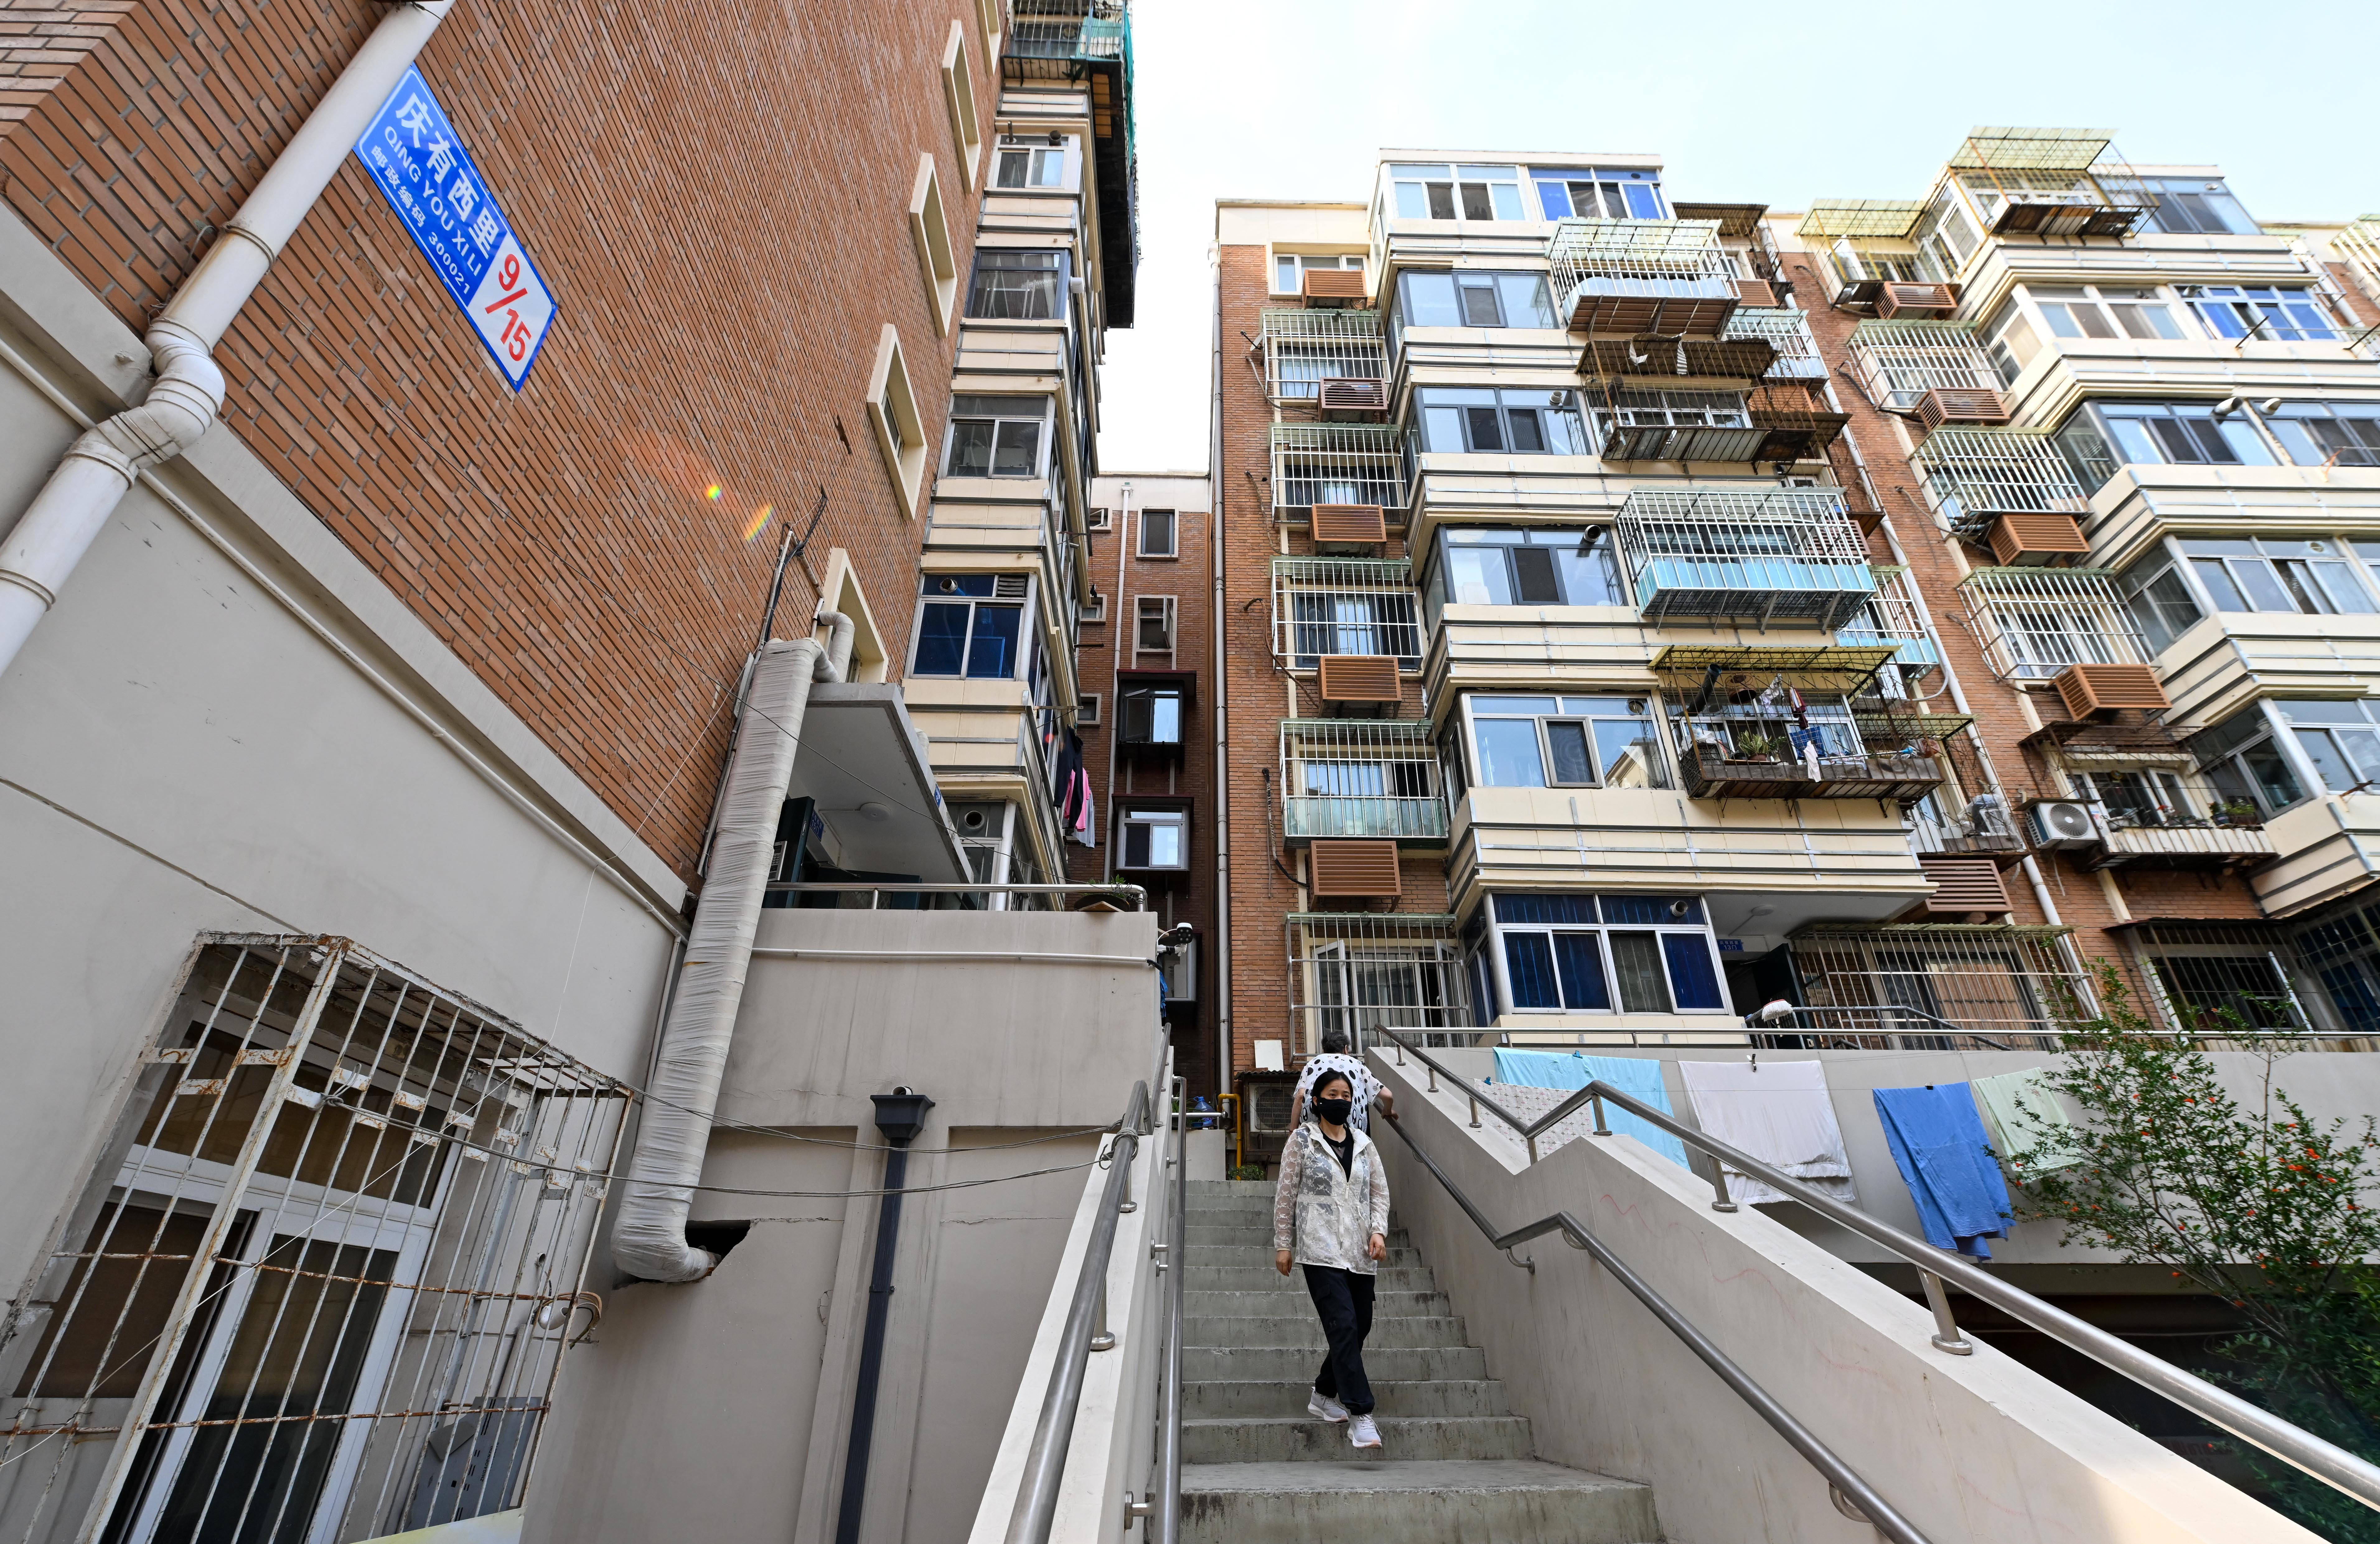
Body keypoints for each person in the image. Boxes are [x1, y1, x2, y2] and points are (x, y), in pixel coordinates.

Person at [1272, 1067, 1390, 1449]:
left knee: (1359, 1326)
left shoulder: (1364, 1143)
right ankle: (1361, 1415)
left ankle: (1324, 1393)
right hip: (1320, 1248)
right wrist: (1284, 1243)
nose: (1339, 1101)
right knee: (1342, 1325)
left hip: (1360, 1250)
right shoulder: (1302, 1140)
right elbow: (1286, 1194)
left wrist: (1378, 1231)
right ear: (1317, 1100)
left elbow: (1379, 1192)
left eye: (1346, 1096)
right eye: (1332, 1095)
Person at [1289, 1027, 1395, 1132]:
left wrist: (1292, 1132)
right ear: (1346, 1049)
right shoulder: (1357, 1064)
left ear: (1324, 1050)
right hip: (1350, 1120)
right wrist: (1387, 1110)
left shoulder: (1312, 1063)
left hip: (1314, 1121)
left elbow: (1300, 1096)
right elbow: (1388, 1095)